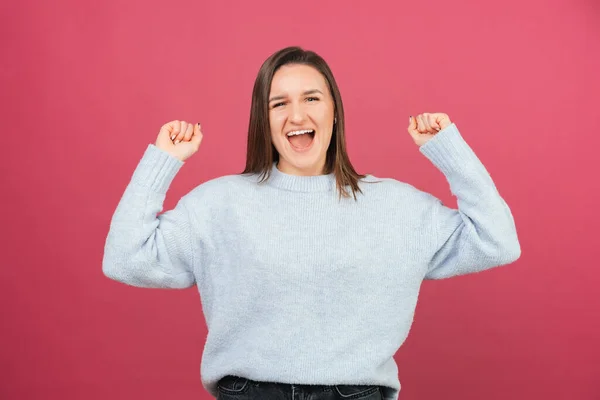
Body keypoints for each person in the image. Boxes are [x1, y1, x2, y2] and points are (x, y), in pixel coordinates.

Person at [102, 46, 521, 400]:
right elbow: (126, 258)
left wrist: (448, 150)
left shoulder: (398, 206)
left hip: (355, 392)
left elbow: (497, 241)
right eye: (278, 103)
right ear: (263, 121)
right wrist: (163, 161)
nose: (296, 115)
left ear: (335, 111)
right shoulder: (218, 204)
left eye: (312, 98)